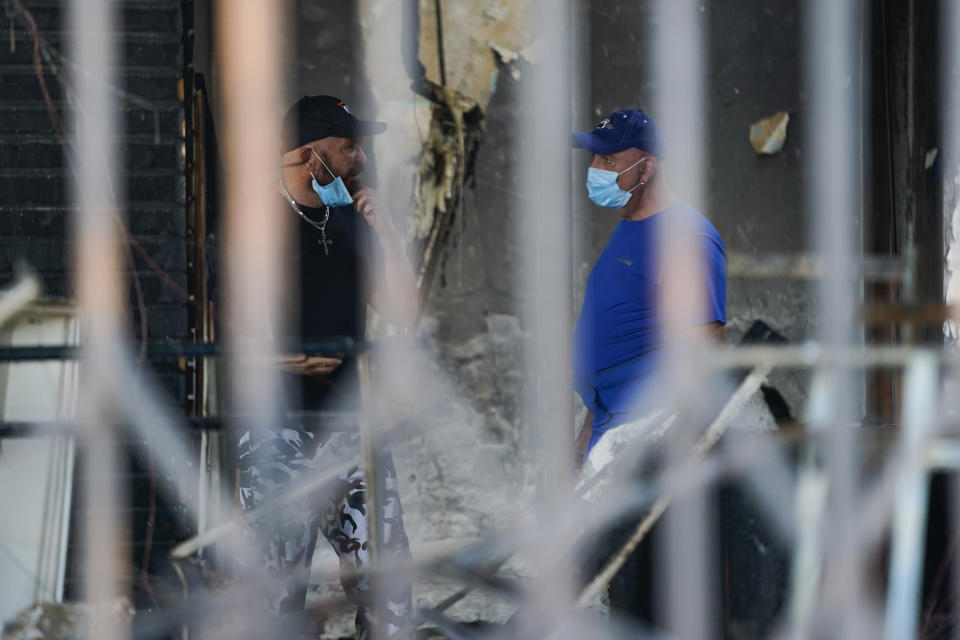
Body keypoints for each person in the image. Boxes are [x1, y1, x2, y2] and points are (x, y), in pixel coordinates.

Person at [236, 95, 417, 639]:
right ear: (310, 156)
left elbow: (405, 312)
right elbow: (223, 337)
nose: (360, 159)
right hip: (278, 430)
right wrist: (288, 362)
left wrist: (387, 235)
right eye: (347, 148)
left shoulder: (352, 220)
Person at [569, 108, 727, 469]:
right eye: (593, 157)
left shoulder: (685, 237)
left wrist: (670, 458)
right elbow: (625, 342)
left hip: (647, 441)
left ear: (648, 167)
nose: (594, 168)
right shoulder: (631, 225)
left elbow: (706, 354)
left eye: (608, 159)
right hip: (611, 432)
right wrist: (586, 433)